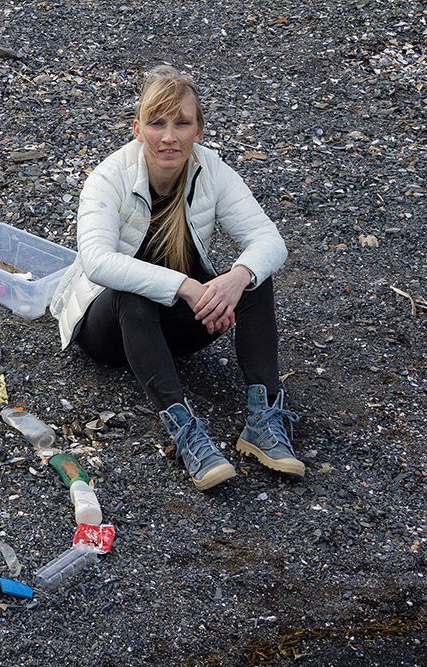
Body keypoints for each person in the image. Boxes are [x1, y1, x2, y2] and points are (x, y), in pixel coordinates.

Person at [50, 65, 303, 491]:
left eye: (182, 123)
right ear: (137, 129)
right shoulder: (108, 178)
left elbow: (268, 239)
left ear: (198, 130)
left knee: (254, 277)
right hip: (108, 332)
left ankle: (263, 419)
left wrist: (234, 280)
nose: (170, 137)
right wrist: (188, 287)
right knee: (133, 295)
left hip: (176, 325)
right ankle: (185, 430)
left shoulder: (212, 170)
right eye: (157, 123)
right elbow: (96, 261)